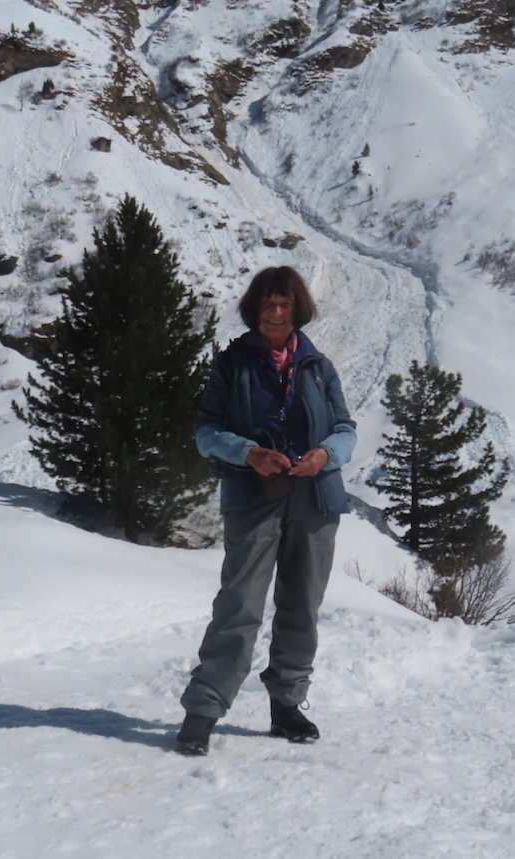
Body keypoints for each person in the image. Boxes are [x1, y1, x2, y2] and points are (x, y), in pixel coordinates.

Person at [175, 265, 356, 756]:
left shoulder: (319, 366)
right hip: (253, 498)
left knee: (302, 606)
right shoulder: (232, 364)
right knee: (240, 604)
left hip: (316, 499)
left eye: (285, 303)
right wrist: (249, 453)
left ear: (298, 309)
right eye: (267, 304)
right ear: (254, 309)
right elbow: (206, 432)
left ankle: (287, 705)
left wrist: (325, 455)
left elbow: (345, 429)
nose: (276, 312)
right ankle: (203, 710)